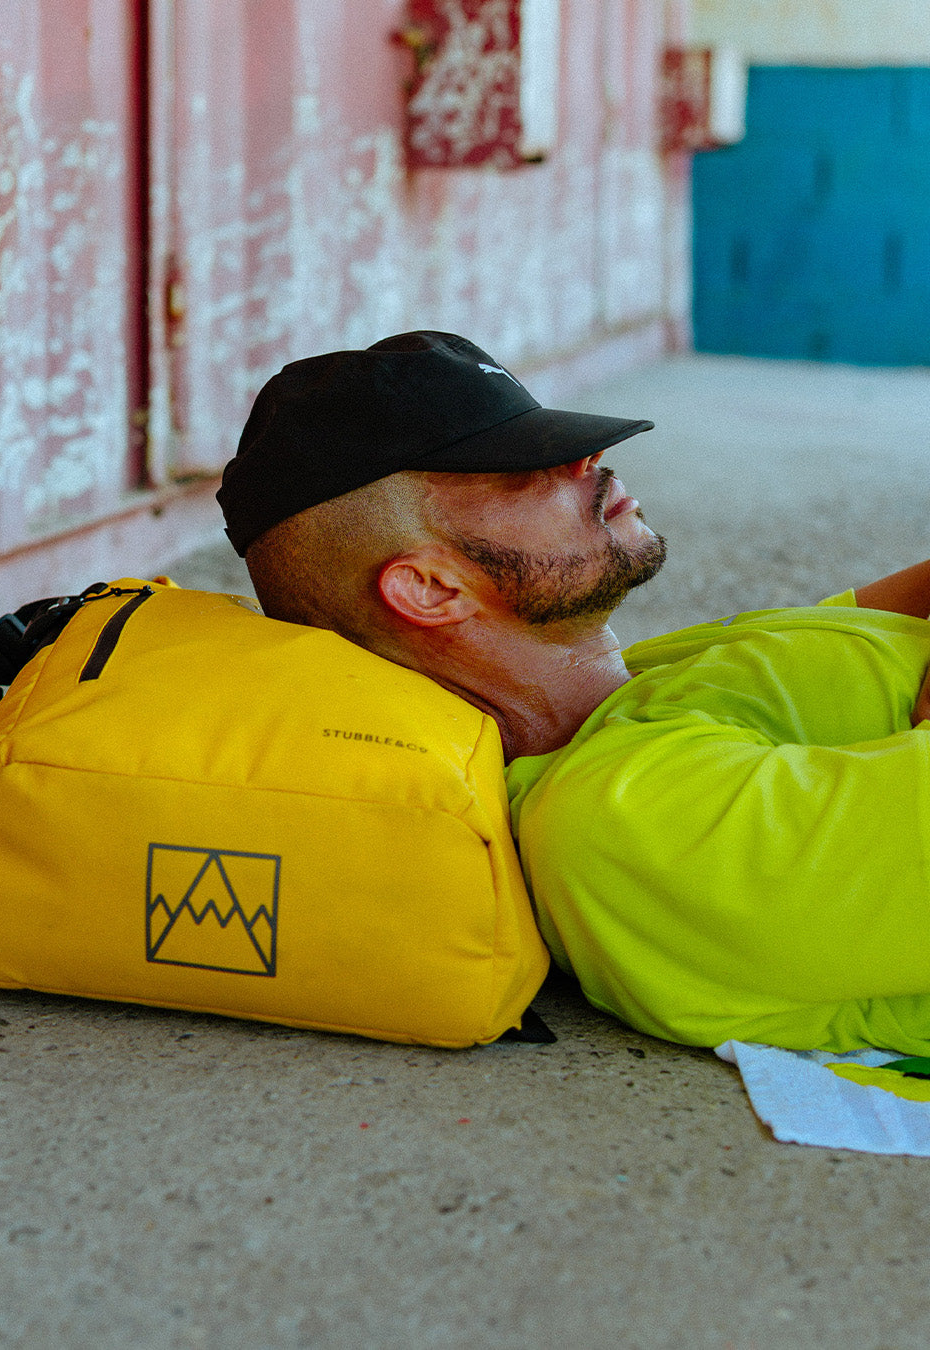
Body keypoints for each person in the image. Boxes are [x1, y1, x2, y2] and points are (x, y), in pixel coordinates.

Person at [217, 330, 930, 1056]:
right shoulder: (622, 818)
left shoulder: (645, 682)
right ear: (431, 588)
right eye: (517, 469)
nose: (587, 461)